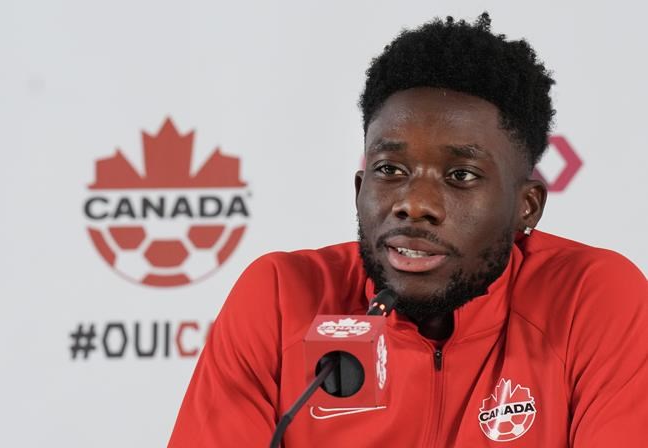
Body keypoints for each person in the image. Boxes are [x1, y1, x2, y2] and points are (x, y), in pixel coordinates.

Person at [169, 13, 647, 447]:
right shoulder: (280, 297)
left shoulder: (592, 297)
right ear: (360, 188)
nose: (414, 204)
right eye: (390, 169)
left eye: (461, 175)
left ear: (527, 206)